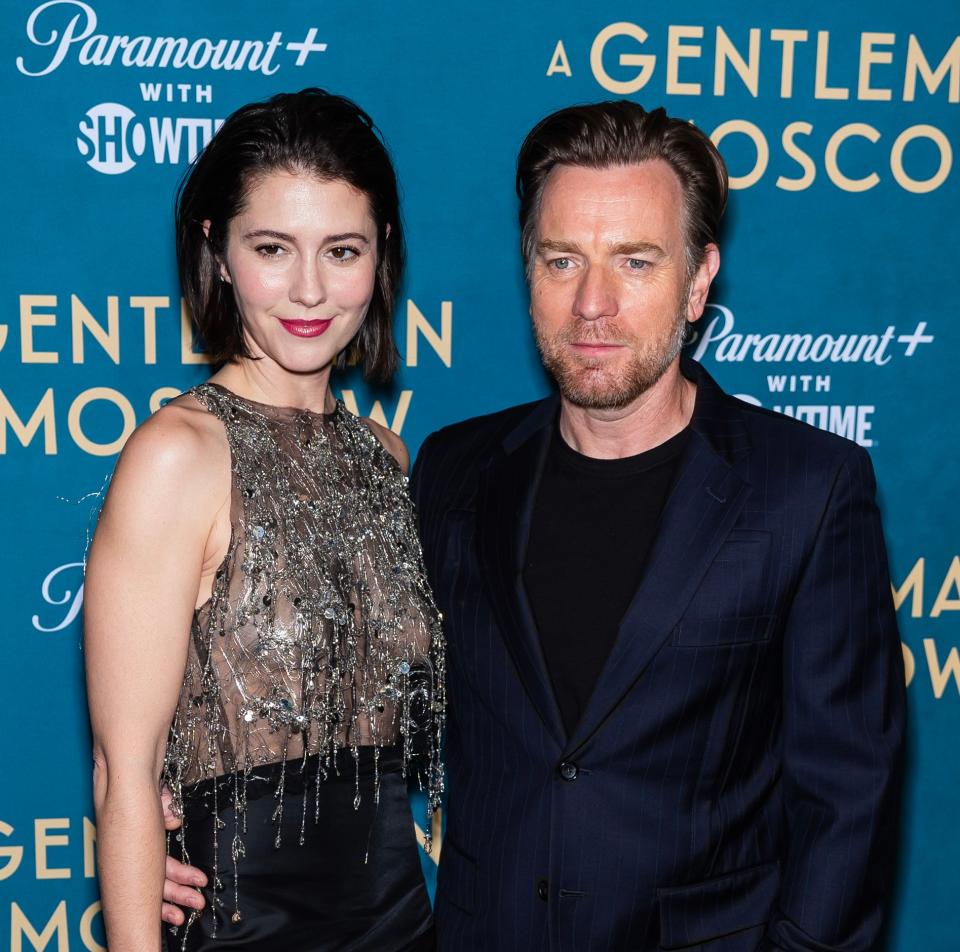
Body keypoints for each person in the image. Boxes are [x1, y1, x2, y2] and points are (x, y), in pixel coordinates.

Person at [164, 100, 905, 951]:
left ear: (699, 280)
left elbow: (847, 798)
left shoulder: (808, 490)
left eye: (635, 261)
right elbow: (346, 681)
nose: (594, 303)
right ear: (528, 271)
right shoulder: (451, 470)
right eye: (563, 261)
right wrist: (172, 803)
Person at [84, 88, 444, 952]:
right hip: (245, 931)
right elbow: (124, 775)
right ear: (217, 250)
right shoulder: (179, 456)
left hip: (401, 924)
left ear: (381, 254)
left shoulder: (388, 461)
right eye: (273, 249)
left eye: (343, 250)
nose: (310, 289)